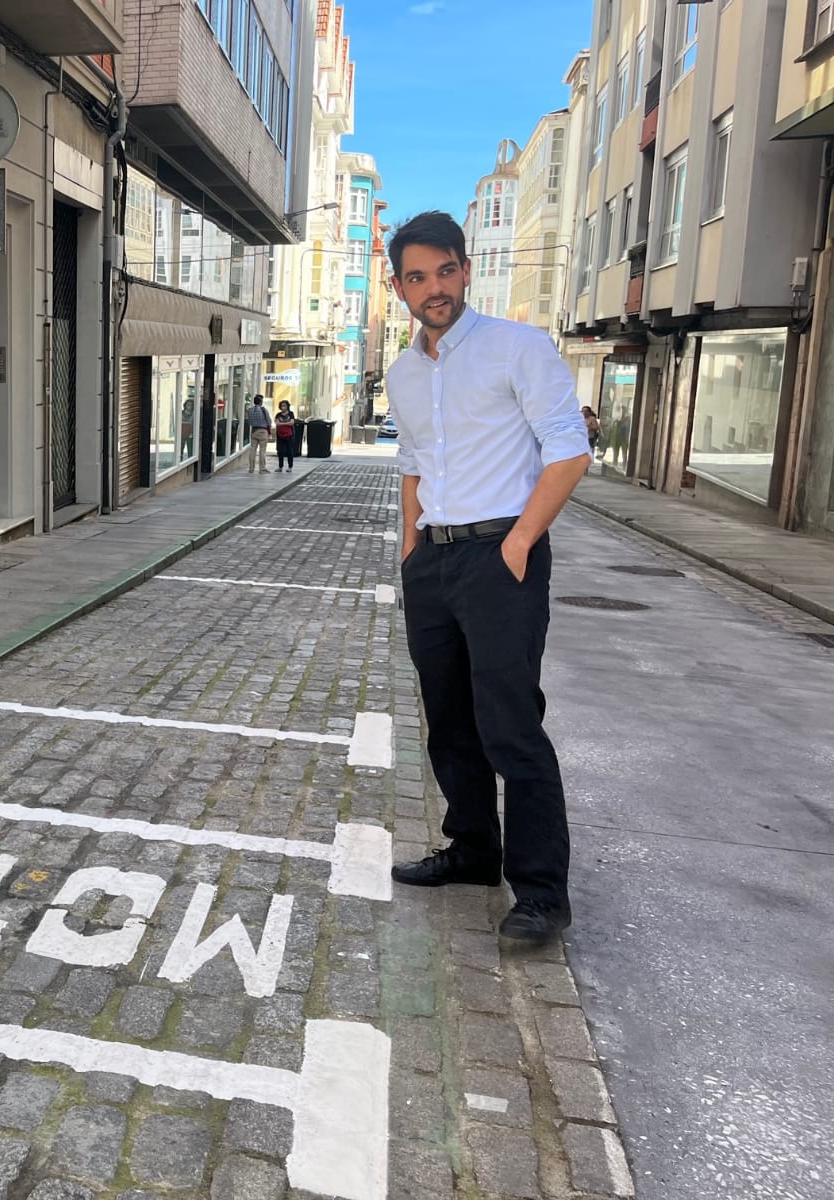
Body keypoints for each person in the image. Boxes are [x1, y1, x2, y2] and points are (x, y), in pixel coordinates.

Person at [384, 211, 591, 944]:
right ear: (400, 287)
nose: (433, 288)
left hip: (504, 552)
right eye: (417, 276)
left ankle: (541, 894)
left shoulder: (517, 348)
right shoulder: (403, 372)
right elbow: (411, 465)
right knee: (448, 720)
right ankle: (473, 851)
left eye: (445, 271)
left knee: (510, 723)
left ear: (466, 270)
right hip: (433, 562)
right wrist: (411, 550)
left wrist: (522, 541)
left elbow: (568, 451)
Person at [246, 396, 272, 473]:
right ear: (261, 402)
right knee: (262, 450)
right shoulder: (263, 410)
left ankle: (251, 468)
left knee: (253, 450)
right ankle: (262, 468)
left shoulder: (250, 410)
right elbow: (269, 421)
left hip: (254, 431)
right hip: (262, 431)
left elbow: (249, 421)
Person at [274, 400, 298, 472]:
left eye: (284, 405)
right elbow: (277, 424)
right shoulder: (278, 415)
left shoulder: (291, 414)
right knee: (280, 451)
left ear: (287, 406)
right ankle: (280, 466)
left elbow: (292, 423)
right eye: (282, 405)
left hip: (290, 435)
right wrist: (286, 423)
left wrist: (282, 423)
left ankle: (290, 466)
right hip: (280, 435)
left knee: (289, 451)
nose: (283, 407)